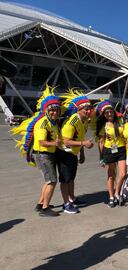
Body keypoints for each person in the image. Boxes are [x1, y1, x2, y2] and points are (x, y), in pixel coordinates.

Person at [11, 86, 62, 217]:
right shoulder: (43, 123)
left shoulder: (53, 123)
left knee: (48, 181)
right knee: (52, 181)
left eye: (57, 110)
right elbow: (41, 142)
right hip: (43, 155)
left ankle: (40, 204)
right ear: (47, 111)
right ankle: (45, 209)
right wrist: (55, 143)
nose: (55, 113)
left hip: (48, 154)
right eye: (52, 110)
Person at [57, 90, 94, 214]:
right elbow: (66, 141)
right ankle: (66, 203)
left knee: (71, 178)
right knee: (65, 179)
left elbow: (80, 137)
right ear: (79, 109)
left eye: (89, 109)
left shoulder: (84, 121)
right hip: (64, 153)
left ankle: (72, 198)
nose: (88, 111)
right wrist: (84, 144)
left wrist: (82, 153)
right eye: (85, 109)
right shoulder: (73, 120)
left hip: (73, 154)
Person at [95, 100, 126, 208]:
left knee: (122, 174)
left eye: (110, 112)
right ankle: (111, 197)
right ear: (103, 114)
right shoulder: (104, 125)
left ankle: (117, 192)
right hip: (109, 151)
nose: (109, 114)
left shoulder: (121, 120)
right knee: (111, 175)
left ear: (113, 112)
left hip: (122, 149)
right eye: (106, 112)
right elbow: (101, 142)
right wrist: (101, 157)